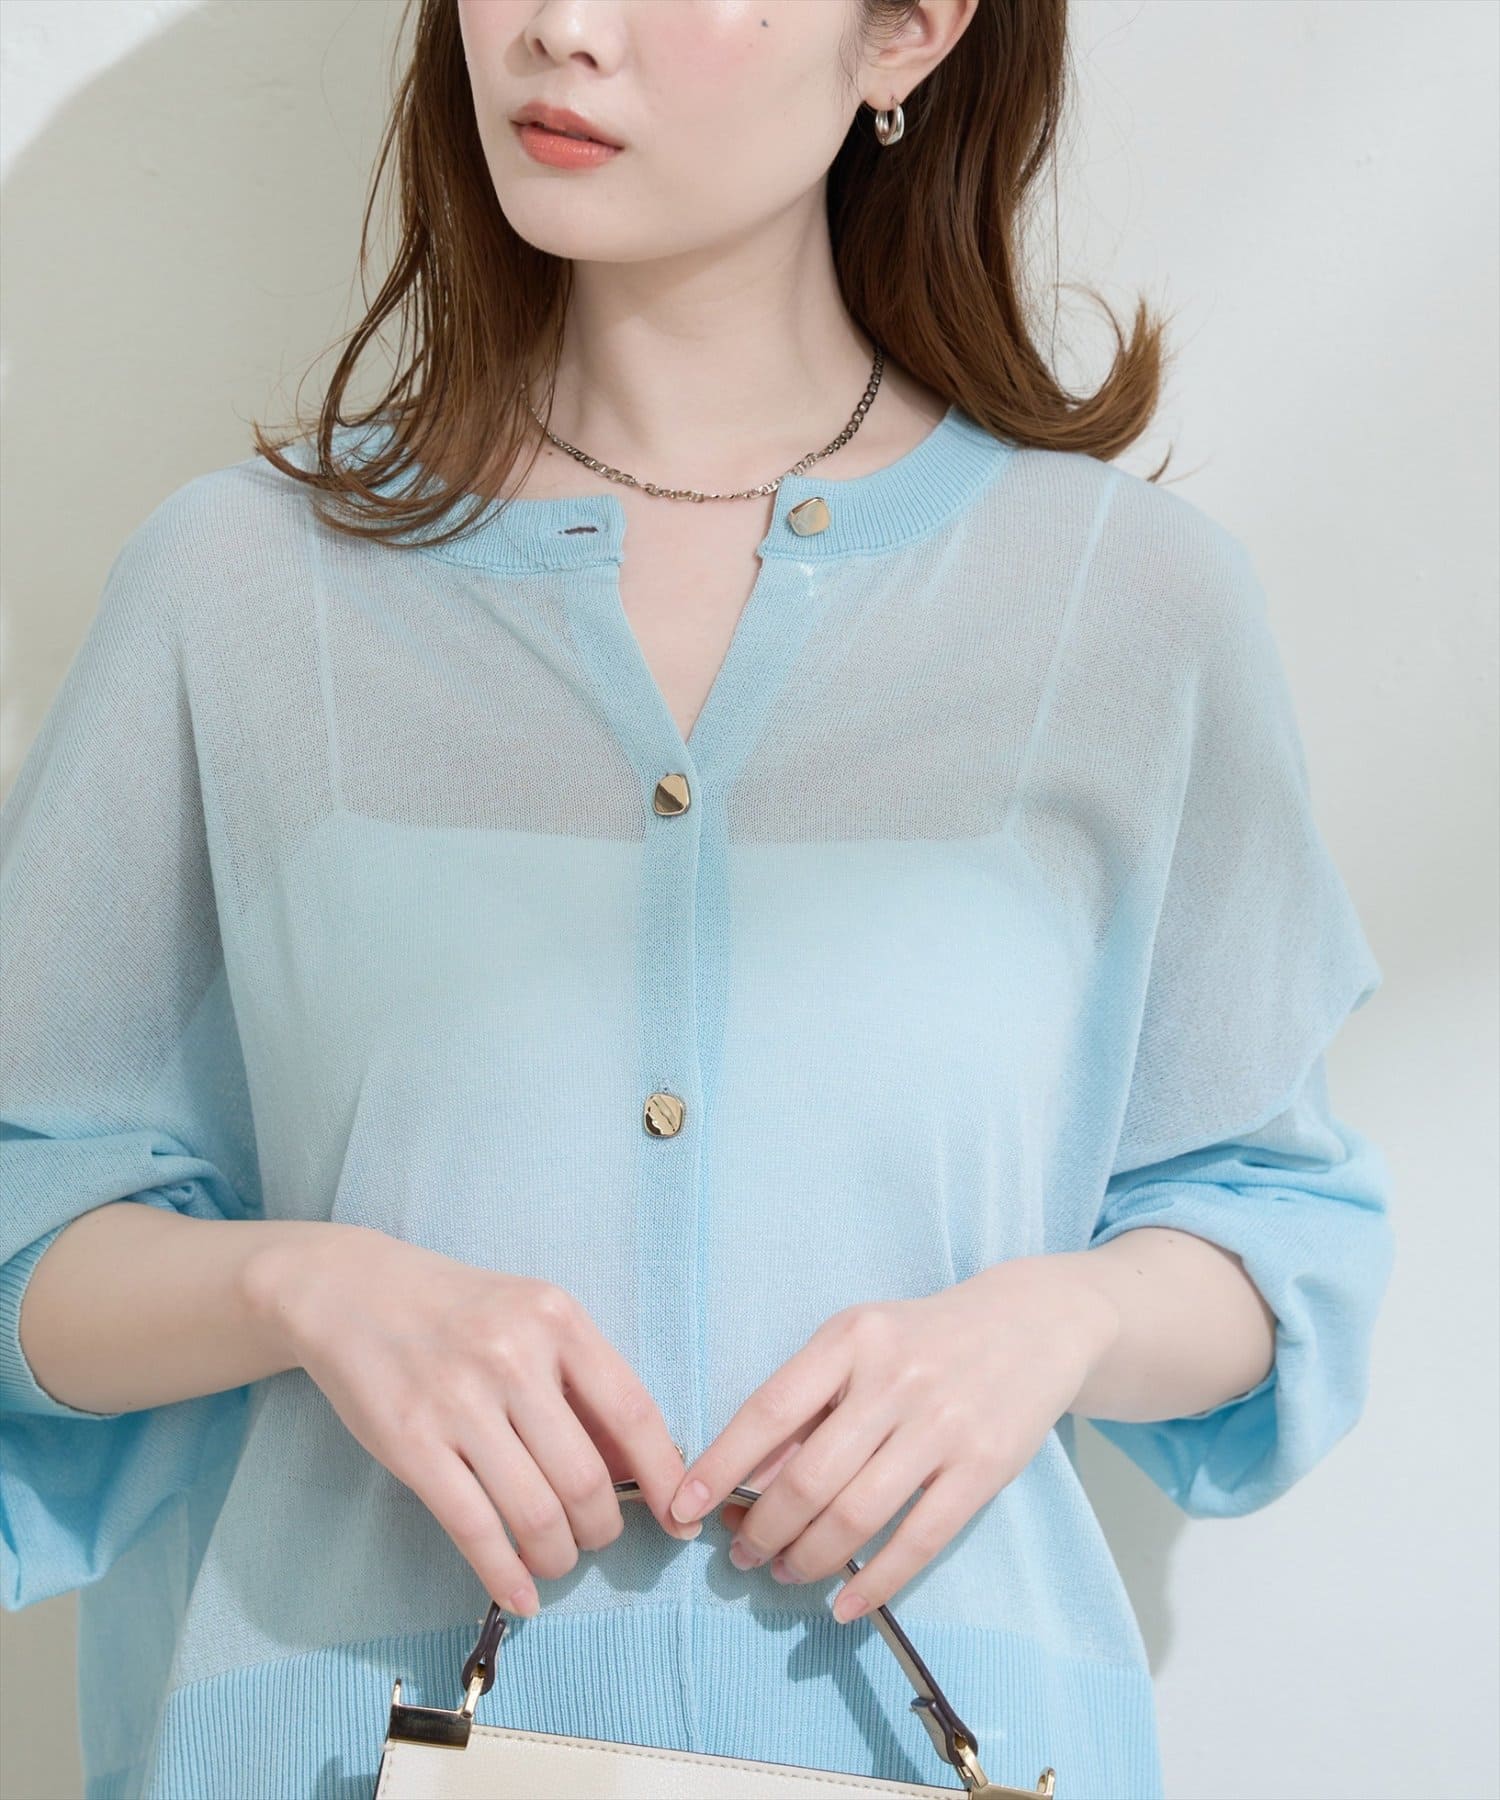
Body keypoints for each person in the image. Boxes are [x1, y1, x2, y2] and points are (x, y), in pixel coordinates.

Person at [0, 2, 1394, 1796]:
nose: (560, 30)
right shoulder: (242, 588)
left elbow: (1280, 1241)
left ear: (908, 31)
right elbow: (28, 1218)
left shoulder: (1132, 605)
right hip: (324, 1740)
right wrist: (299, 1286)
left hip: (933, 1746)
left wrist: (1055, 1325)